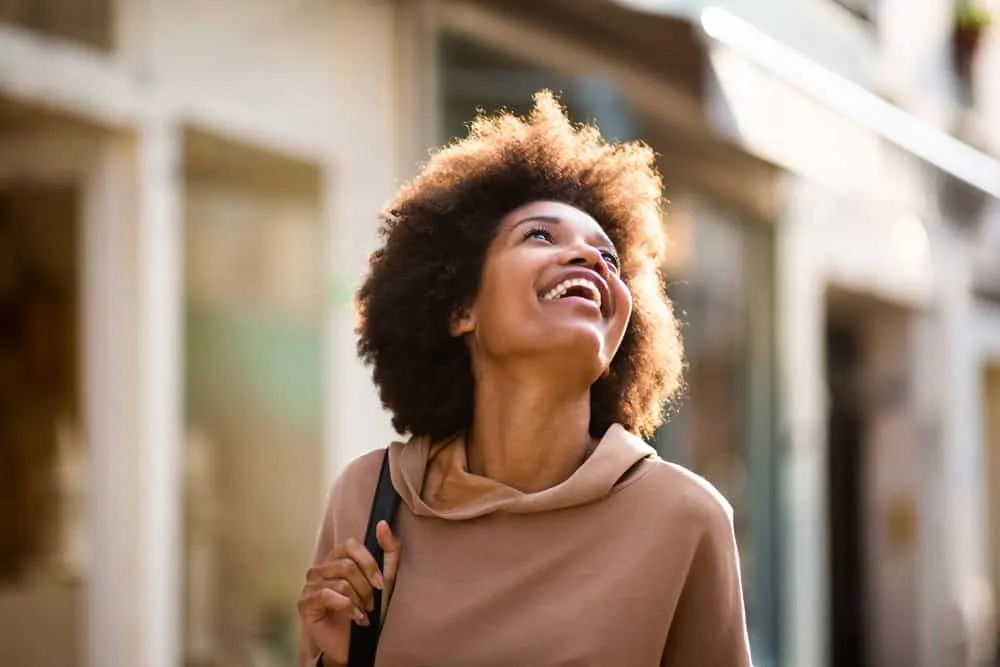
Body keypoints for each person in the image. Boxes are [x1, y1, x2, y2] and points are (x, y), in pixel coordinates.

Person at [297, 91, 752, 667]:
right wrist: (338, 659)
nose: (589, 260)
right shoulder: (370, 499)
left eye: (609, 259)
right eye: (541, 236)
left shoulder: (685, 518)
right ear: (461, 308)